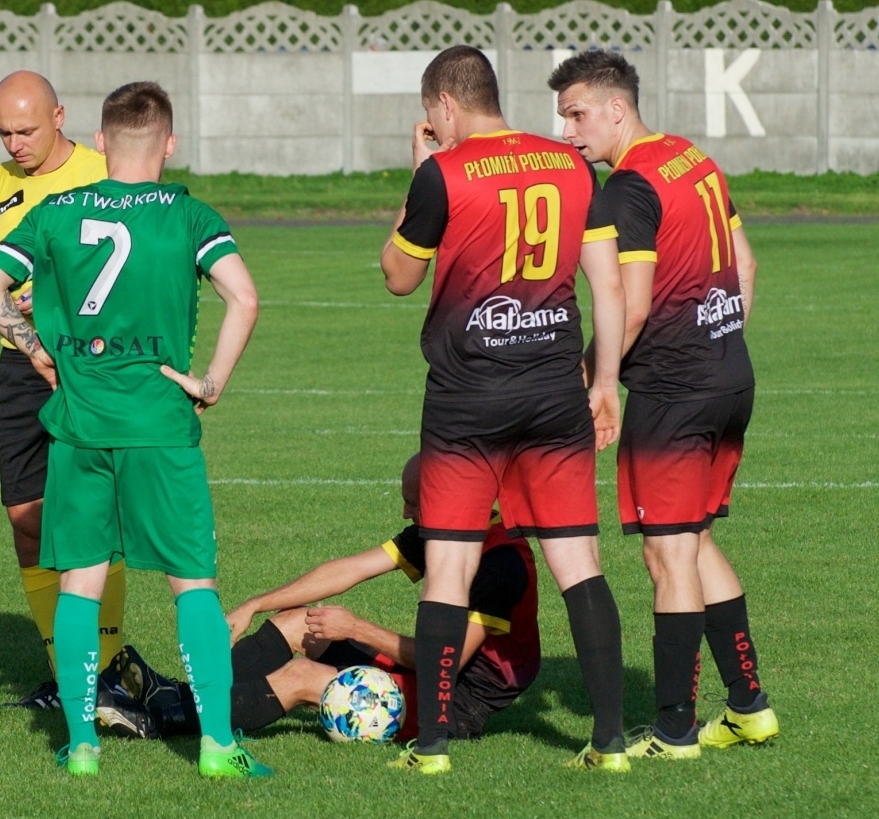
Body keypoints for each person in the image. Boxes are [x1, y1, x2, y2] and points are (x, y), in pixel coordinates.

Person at [0, 81, 270, 779]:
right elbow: (244, 297)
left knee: (79, 581)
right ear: (169, 143)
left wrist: (37, 351)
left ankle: (81, 745)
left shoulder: (58, 210)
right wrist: (211, 381)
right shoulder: (191, 216)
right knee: (192, 582)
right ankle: (219, 747)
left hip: (80, 424)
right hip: (160, 424)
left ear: (100, 144)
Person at [380, 45, 629, 773]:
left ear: (445, 107)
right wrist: (604, 380)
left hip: (468, 399)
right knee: (578, 564)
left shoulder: (443, 174)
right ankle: (609, 744)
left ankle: (430, 751)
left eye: (433, 117)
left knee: (450, 571)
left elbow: (398, 276)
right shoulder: (571, 165)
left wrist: (416, 171)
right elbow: (607, 287)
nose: (434, 127)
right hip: (554, 391)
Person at [550, 49, 778, 757]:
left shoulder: (626, 190)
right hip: (730, 377)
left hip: (675, 395)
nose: (569, 133)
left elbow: (635, 304)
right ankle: (748, 708)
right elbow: (746, 265)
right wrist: (718, 339)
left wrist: (596, 377)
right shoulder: (691, 158)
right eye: (563, 118)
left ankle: (674, 729)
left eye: (578, 115)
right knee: (697, 539)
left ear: (617, 108)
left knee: (666, 556)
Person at [0, 70, 128, 708]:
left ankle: (106, 669)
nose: (14, 143)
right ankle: (64, 672)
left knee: (90, 519)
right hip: (18, 368)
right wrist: (13, 308)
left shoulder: (101, 174)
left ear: (59, 116)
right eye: (3, 131)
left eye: (25, 129)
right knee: (26, 519)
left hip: (89, 367)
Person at [222, 455, 540, 743]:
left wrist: (356, 628)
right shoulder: (445, 529)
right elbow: (349, 570)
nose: (405, 513)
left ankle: (178, 714)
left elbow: (444, 662)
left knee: (300, 677)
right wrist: (255, 604)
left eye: (413, 504)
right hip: (426, 670)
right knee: (297, 621)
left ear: (446, 499)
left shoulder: (500, 563)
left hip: (452, 700)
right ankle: (196, 691)